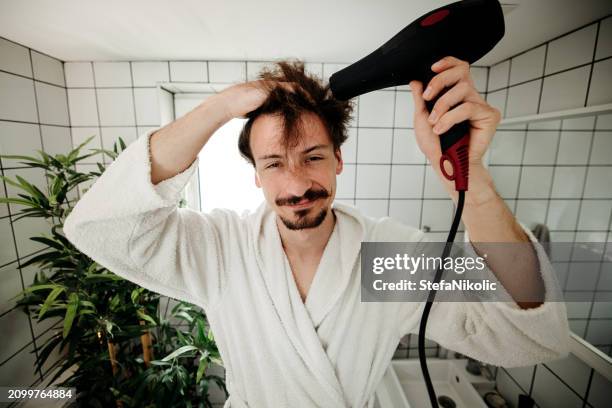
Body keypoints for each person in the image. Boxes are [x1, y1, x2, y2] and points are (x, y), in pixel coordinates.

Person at [63, 58, 570, 408]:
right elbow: (104, 226)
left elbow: (528, 331)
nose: (298, 184)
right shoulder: (221, 249)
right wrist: (220, 107)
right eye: (275, 164)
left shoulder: (384, 257)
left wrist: (471, 179)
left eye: (313, 157)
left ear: (339, 160)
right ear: (255, 176)